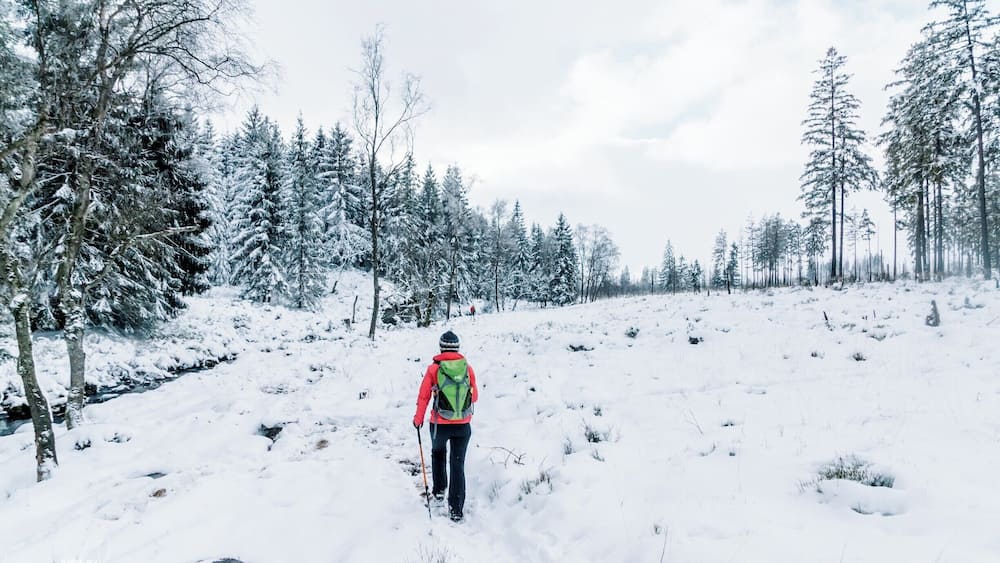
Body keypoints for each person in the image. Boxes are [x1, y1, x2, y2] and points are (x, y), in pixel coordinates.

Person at [413, 330, 478, 522]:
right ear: (457, 348)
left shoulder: (434, 369)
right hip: (463, 426)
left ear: (441, 347)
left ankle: (439, 491)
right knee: (458, 465)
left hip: (439, 424)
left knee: (438, 454)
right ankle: (456, 510)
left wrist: (418, 419)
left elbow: (423, 396)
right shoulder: (467, 368)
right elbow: (474, 397)